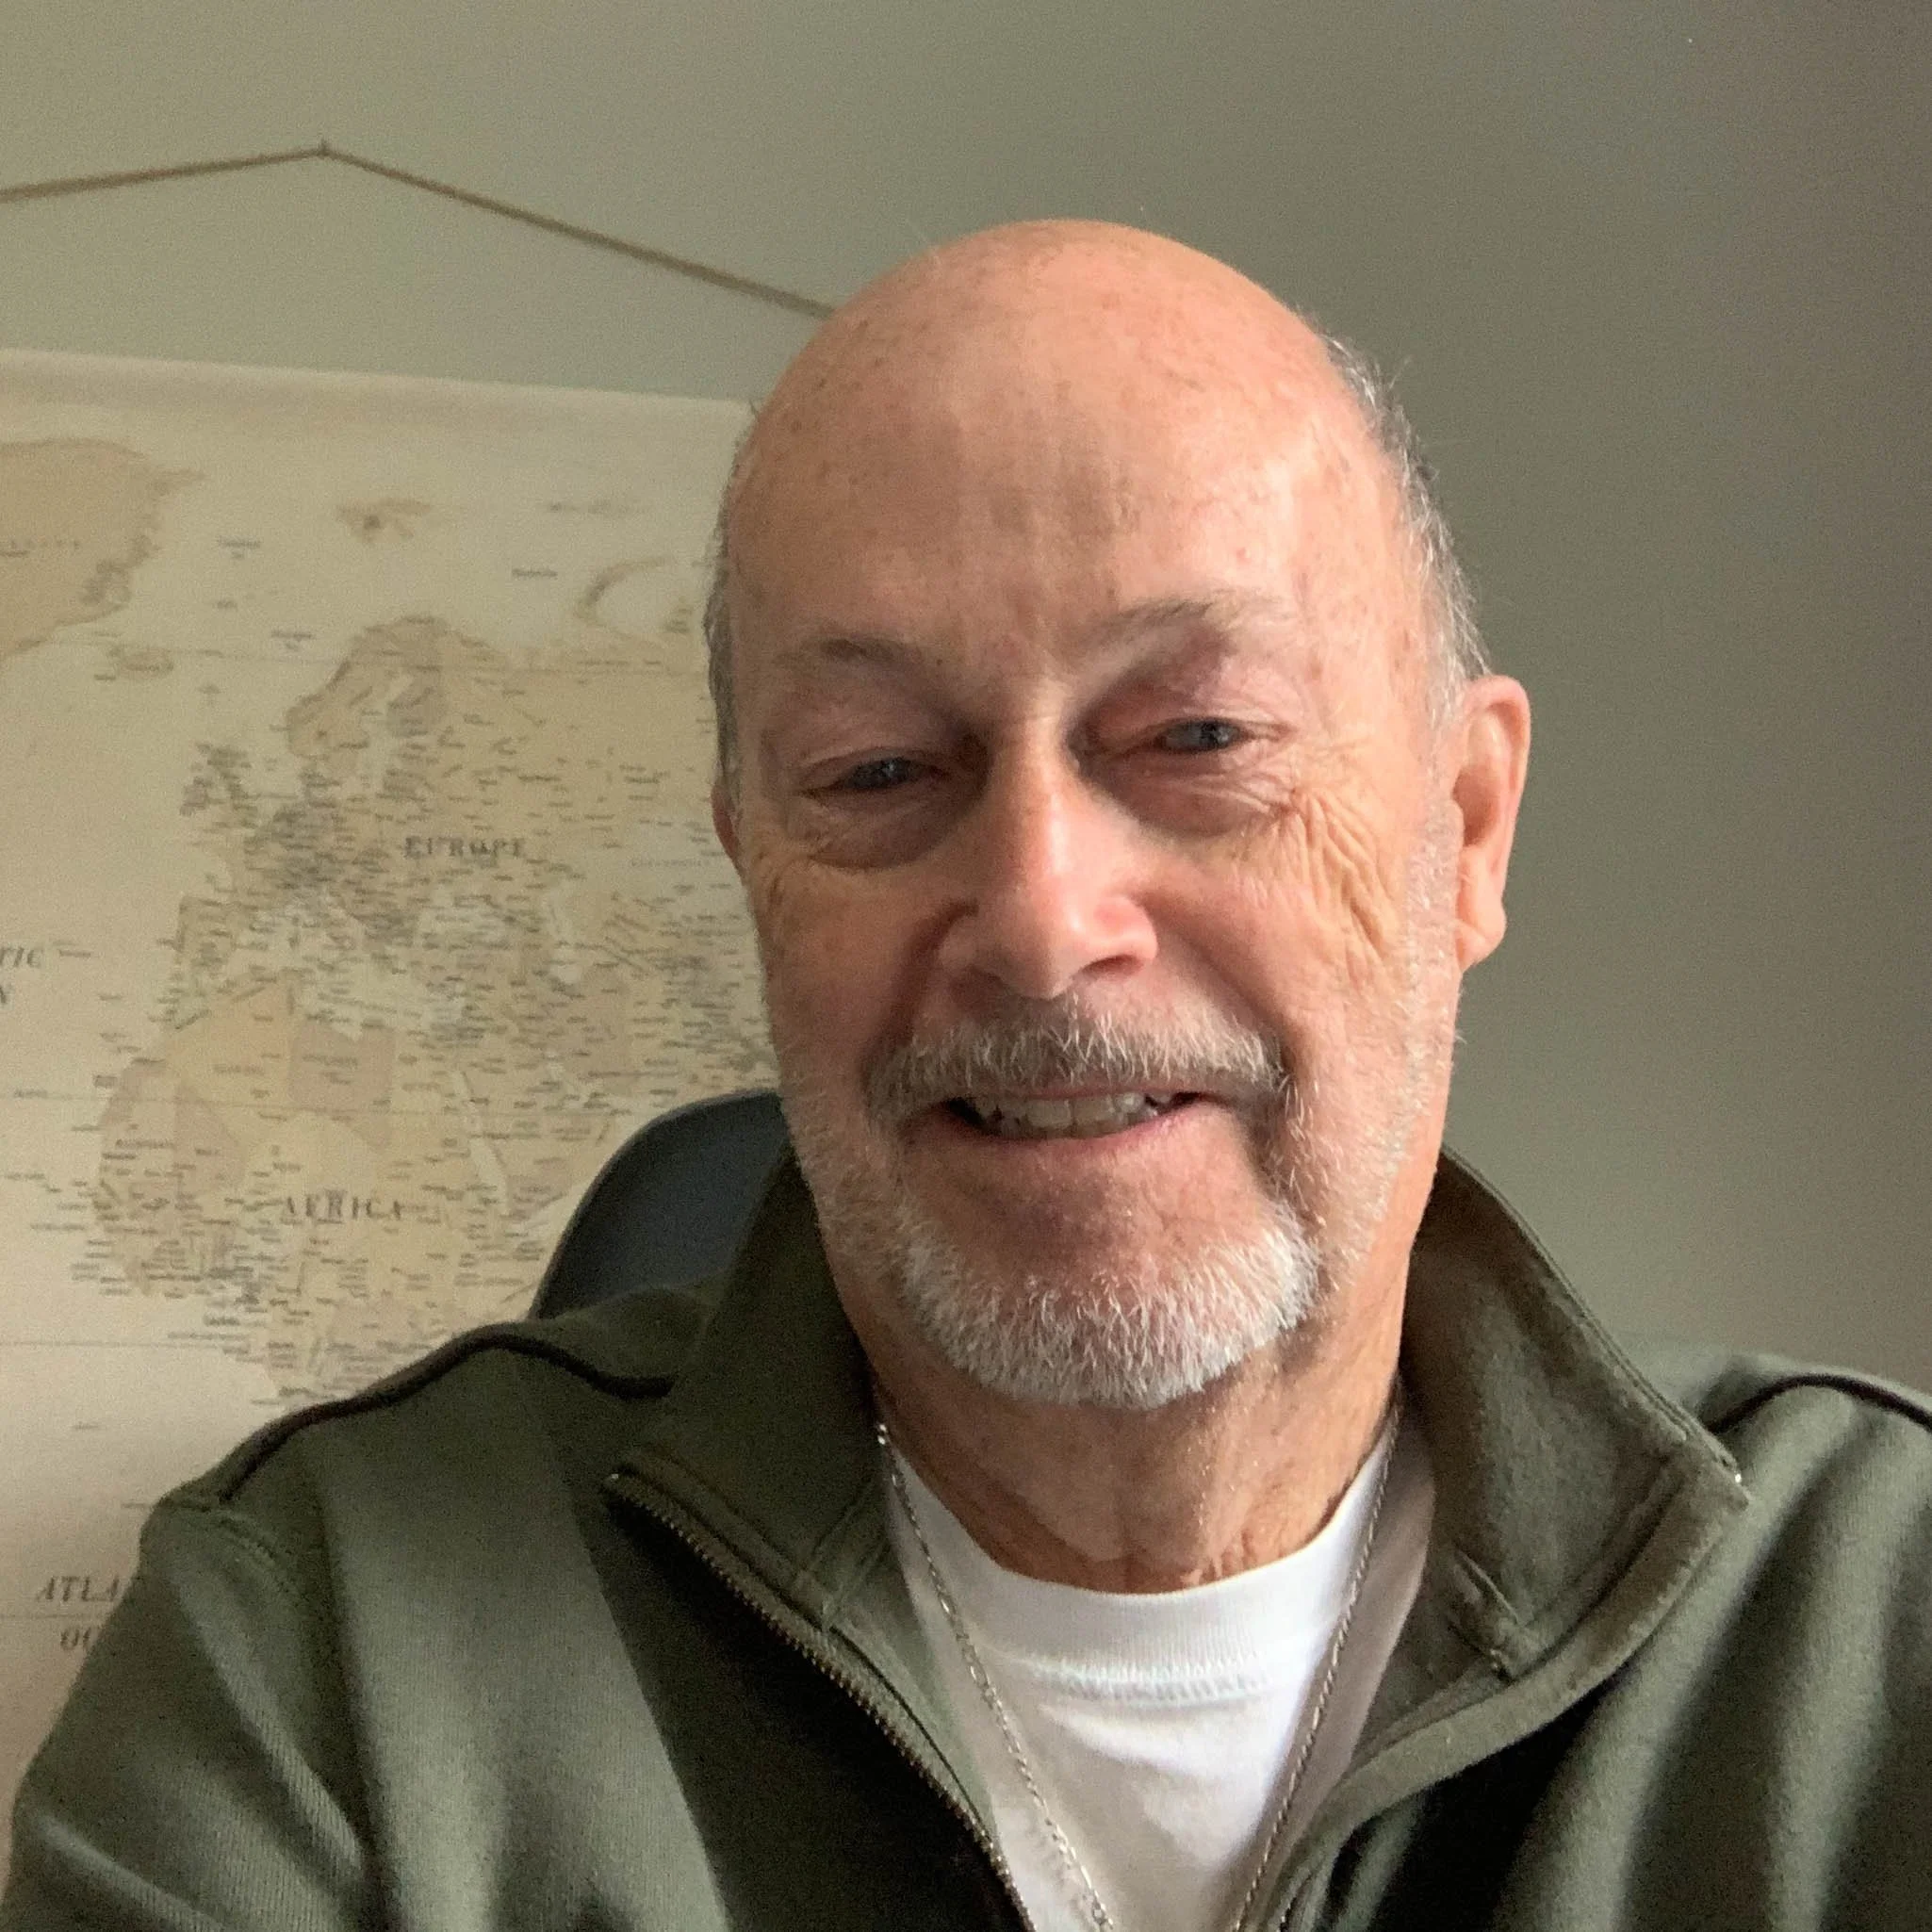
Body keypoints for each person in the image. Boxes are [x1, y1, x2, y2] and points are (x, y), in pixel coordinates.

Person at [5, 221, 1928, 1932]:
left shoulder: (1875, 1627)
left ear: (1463, 825)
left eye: (1192, 731)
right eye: (869, 770)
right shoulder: (315, 1655)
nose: (1035, 911)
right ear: (752, 860)